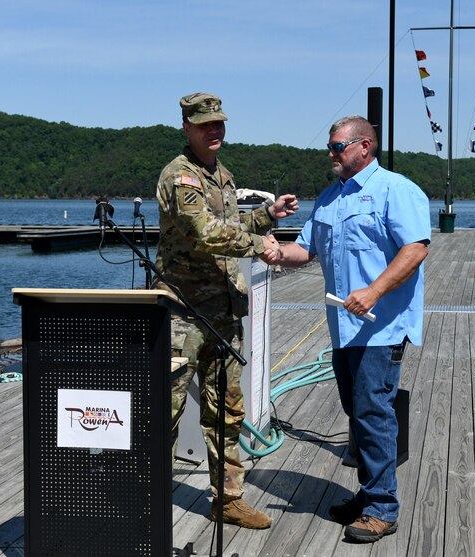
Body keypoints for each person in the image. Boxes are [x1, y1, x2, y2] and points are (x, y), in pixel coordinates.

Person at [263, 115, 430, 543]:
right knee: (359, 413)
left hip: (381, 328)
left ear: (364, 147)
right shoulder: (329, 198)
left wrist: (374, 292)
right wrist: (274, 252)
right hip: (343, 328)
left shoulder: (396, 190)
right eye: (330, 147)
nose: (331, 154)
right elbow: (306, 249)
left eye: (338, 146)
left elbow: (415, 249)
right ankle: (368, 493)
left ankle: (381, 508)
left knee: (374, 413)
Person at [153, 92, 298, 530]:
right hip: (181, 312)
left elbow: (231, 226)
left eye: (219, 123)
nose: (214, 130)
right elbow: (206, 233)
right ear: (186, 127)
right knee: (166, 410)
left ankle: (228, 498)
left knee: (226, 411)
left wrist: (266, 216)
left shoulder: (223, 176)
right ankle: (147, 499)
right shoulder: (181, 177)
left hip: (221, 313)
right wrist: (263, 248)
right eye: (204, 125)